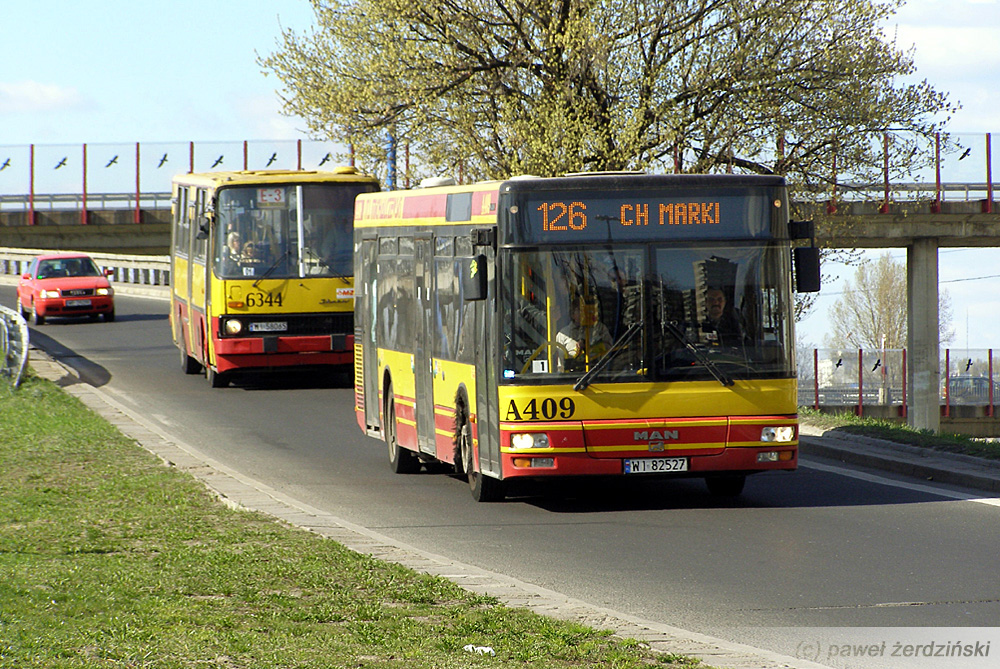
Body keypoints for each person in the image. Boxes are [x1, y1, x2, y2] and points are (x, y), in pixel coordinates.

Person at [557, 301, 613, 367]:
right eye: (580, 310)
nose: (584, 313)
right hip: (572, 373)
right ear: (572, 314)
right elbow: (560, 362)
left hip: (598, 371)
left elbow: (610, 349)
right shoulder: (563, 334)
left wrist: (591, 347)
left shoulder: (600, 328)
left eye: (587, 309)